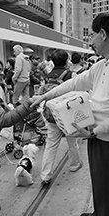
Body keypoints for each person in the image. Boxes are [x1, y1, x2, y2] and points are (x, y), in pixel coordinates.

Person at [31, 13, 109, 216]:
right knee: (99, 183)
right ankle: (101, 214)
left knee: (107, 185)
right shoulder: (103, 64)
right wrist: (45, 95)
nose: (90, 39)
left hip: (105, 137)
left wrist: (95, 132)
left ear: (102, 34)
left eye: (91, 34)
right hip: (94, 133)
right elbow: (75, 83)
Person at [0, 57, 33, 216]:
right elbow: (3, 119)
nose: (3, 72)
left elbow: (5, 112)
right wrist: (26, 105)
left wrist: (21, 108)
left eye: (3, 68)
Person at [38, 49, 82, 185]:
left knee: (51, 144)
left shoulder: (47, 76)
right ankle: (74, 164)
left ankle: (45, 175)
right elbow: (78, 93)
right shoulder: (70, 74)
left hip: (50, 114)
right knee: (72, 141)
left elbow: (41, 93)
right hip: (66, 114)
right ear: (66, 60)